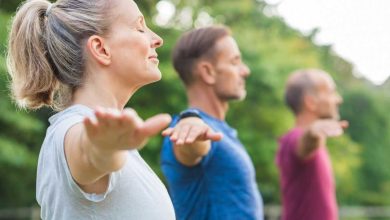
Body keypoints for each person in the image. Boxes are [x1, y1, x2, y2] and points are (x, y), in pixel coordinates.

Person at [7, 0, 176, 219]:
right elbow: (88, 153)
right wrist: (103, 149)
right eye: (140, 27)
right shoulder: (72, 131)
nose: (157, 39)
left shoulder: (113, 141)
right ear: (101, 48)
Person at [160, 26, 264, 220]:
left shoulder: (221, 131)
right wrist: (192, 126)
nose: (245, 71)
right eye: (235, 62)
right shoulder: (187, 130)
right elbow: (192, 146)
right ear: (208, 72)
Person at [276, 69, 348, 220]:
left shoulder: (317, 145)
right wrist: (312, 132)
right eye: (331, 92)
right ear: (311, 102)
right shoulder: (292, 139)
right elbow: (304, 144)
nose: (338, 99)